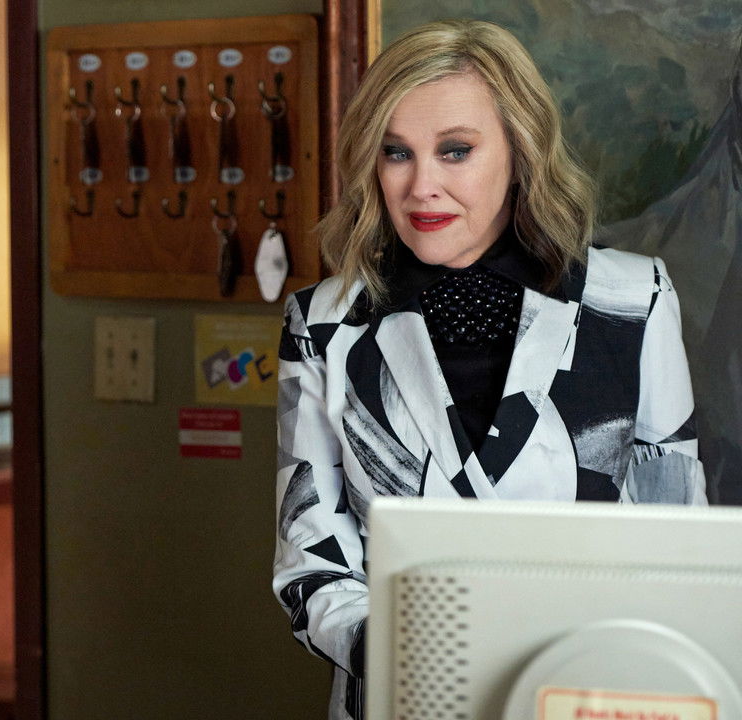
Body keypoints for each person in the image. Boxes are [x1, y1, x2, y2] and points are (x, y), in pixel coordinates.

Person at [271, 19, 706, 720]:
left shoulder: (633, 301)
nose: (422, 186)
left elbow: (678, 546)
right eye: (396, 152)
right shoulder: (323, 325)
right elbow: (311, 562)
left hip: (586, 698)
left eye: (456, 151)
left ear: (520, 150)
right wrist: (412, 658)